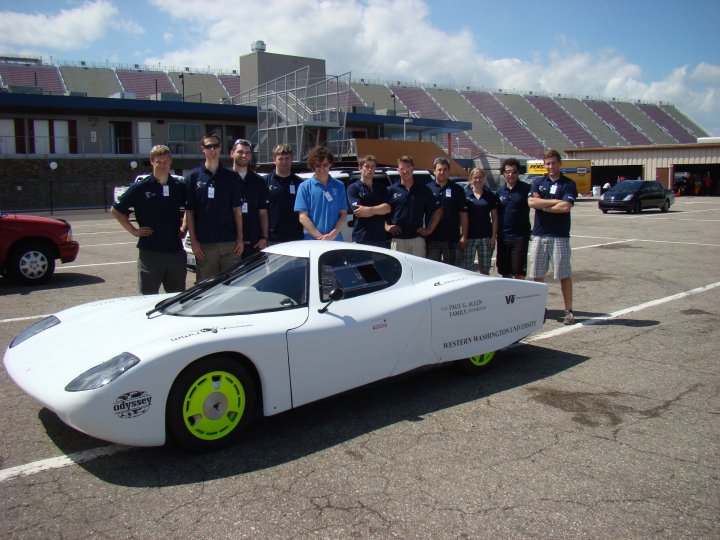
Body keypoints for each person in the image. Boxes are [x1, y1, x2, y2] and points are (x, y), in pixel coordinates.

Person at [112, 145, 187, 294]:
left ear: (170, 162)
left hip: (175, 251)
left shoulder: (179, 186)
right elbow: (116, 210)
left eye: (165, 162)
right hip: (150, 253)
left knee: (177, 296)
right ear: (152, 161)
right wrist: (134, 231)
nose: (162, 165)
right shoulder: (141, 187)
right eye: (158, 162)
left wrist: (184, 227)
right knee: (147, 296)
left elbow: (191, 208)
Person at [527, 149, 578, 325]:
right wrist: (556, 201)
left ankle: (568, 311)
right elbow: (532, 202)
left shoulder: (568, 184)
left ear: (560, 164)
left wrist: (543, 206)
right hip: (539, 235)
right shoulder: (537, 182)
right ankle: (539, 308)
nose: (551, 166)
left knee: (564, 274)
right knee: (537, 275)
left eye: (553, 163)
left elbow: (566, 207)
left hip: (559, 236)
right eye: (547, 163)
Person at [185, 133, 244, 282]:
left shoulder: (231, 176)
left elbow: (237, 210)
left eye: (215, 146)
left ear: (220, 147)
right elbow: (190, 211)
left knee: (232, 286)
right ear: (202, 149)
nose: (212, 149)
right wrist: (194, 241)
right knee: (207, 287)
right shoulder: (193, 177)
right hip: (204, 245)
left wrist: (240, 238)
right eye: (208, 146)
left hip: (230, 243)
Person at [386, 155, 442, 256]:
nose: (405, 171)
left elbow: (438, 210)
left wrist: (429, 230)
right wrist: (386, 226)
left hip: (417, 239)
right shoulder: (391, 190)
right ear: (398, 170)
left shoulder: (424, 190)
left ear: (413, 169)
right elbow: (382, 213)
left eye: (408, 168)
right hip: (397, 240)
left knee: (419, 266)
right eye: (402, 168)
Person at [294, 146, 348, 241]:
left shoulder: (339, 186)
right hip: (312, 241)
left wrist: (332, 235)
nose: (322, 168)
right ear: (313, 166)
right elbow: (302, 216)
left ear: (330, 164)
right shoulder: (304, 187)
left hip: (335, 240)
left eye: (325, 165)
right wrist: (320, 238)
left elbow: (343, 214)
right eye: (318, 165)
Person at [231, 139, 269, 258]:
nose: (244, 155)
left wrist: (264, 237)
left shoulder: (259, 181)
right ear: (232, 153)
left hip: (255, 243)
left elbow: (263, 212)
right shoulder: (225, 179)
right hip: (230, 243)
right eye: (240, 152)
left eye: (247, 153)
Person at [427, 156, 467, 266]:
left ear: (449, 171)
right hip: (432, 239)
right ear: (434, 171)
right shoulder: (427, 189)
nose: (442, 172)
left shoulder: (458, 190)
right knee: (431, 270)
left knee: (452, 270)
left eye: (445, 169)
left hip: (452, 238)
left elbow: (463, 214)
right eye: (439, 169)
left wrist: (464, 235)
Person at [496, 158, 530, 279]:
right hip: (503, 237)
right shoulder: (499, 192)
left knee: (518, 272)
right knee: (504, 272)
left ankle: (520, 292)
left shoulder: (527, 189)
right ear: (504, 173)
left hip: (520, 237)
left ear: (518, 173)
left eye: (514, 172)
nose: (511, 174)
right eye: (508, 172)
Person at [346, 154, 391, 247]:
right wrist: (379, 209)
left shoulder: (381, 188)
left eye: (373, 166)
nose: (370, 169)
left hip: (380, 238)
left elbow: (387, 209)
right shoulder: (353, 188)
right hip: (361, 238)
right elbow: (359, 212)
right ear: (360, 168)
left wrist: (369, 210)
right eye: (367, 166)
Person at [265, 143, 305, 244]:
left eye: (287, 158)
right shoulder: (264, 182)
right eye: (281, 159)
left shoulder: (300, 183)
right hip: (271, 239)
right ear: (274, 160)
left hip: (296, 239)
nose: (284, 162)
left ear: (292, 159)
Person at [462, 167, 497, 275]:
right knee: (467, 269)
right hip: (469, 237)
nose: (478, 180)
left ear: (484, 179)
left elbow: (495, 218)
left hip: (486, 237)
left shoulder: (490, 195)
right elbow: (462, 217)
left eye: (480, 177)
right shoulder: (465, 195)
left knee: (485, 269)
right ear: (471, 179)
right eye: (475, 177)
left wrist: (493, 237)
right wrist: (463, 236)